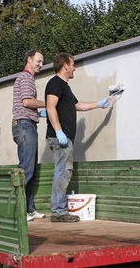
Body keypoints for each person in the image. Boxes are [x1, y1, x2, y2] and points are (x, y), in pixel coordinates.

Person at [45, 52, 110, 223]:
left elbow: (77, 106)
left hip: (65, 138)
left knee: (64, 171)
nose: (74, 68)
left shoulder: (65, 86)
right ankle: (58, 212)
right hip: (60, 138)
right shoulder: (55, 83)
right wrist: (59, 132)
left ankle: (58, 210)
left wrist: (98, 104)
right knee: (63, 172)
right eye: (73, 64)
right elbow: (50, 107)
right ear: (65, 65)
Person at [12, 50, 48, 222]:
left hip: (27, 124)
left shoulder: (28, 78)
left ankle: (29, 209)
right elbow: (27, 101)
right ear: (29, 59)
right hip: (25, 126)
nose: (41, 65)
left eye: (42, 62)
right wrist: (50, 103)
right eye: (38, 61)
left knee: (30, 170)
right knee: (25, 170)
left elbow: (25, 105)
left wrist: (38, 114)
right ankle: (19, 211)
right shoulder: (26, 77)